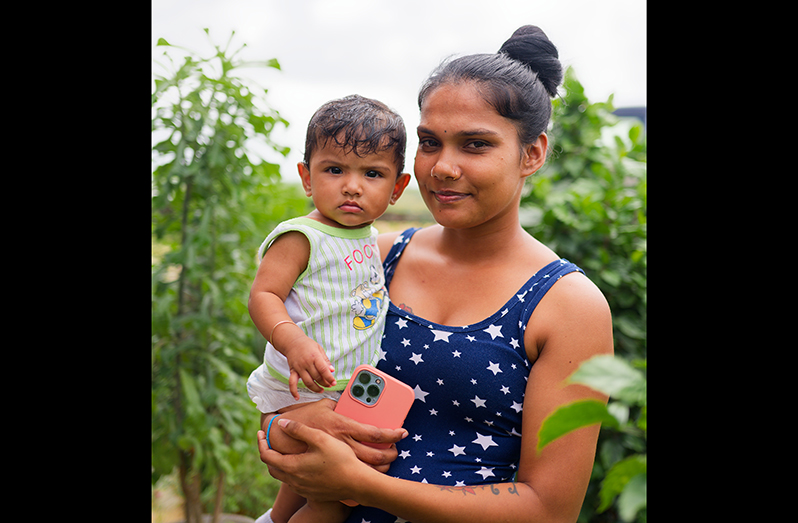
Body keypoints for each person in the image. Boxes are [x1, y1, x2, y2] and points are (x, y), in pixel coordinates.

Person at [256, 25, 614, 523]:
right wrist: (284, 429)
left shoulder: (568, 306)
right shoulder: (371, 258)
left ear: (532, 153)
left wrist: (361, 485)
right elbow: (283, 390)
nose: (443, 167)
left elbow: (549, 509)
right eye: (430, 142)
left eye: (475, 145)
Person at [246, 94, 411, 523]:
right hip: (297, 394)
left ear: (397, 188)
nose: (352, 185)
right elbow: (263, 296)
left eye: (372, 173)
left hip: (339, 389)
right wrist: (292, 340)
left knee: (303, 487)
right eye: (334, 170)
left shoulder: (369, 236)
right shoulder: (301, 236)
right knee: (329, 503)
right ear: (307, 176)